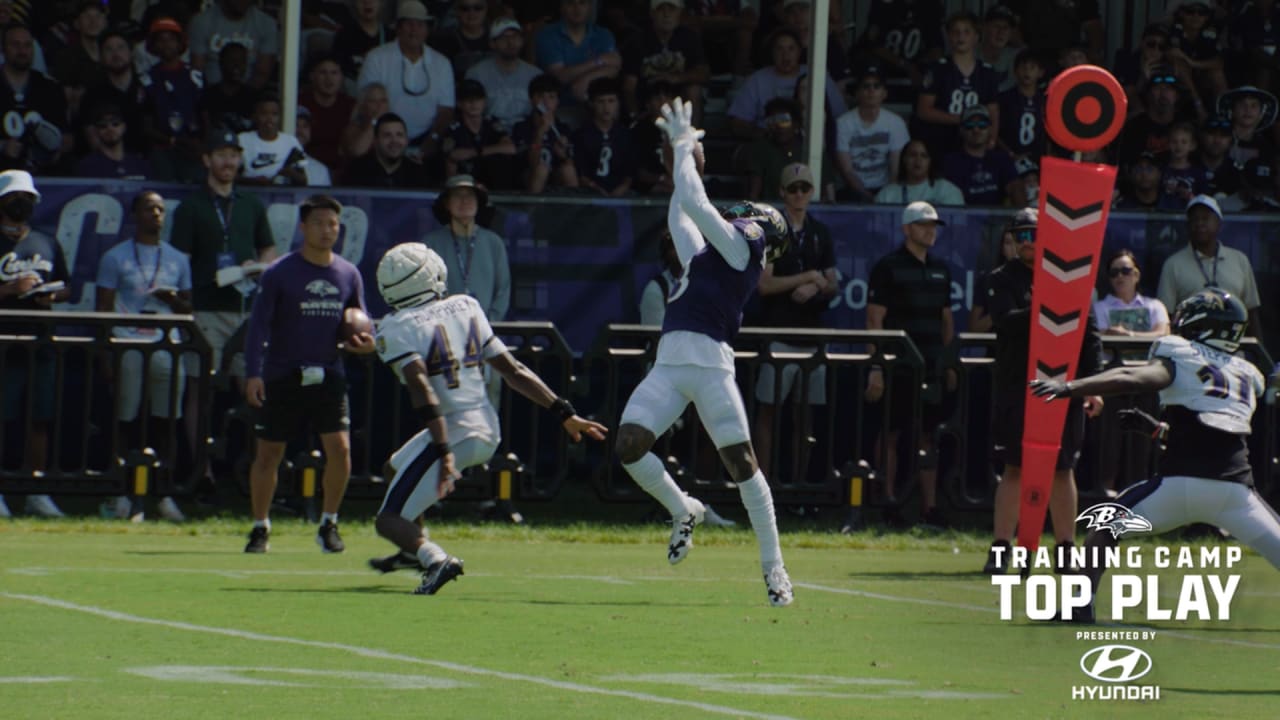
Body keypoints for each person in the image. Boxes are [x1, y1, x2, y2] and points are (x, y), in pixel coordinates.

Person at [614, 97, 794, 607]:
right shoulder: (704, 252)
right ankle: (683, 509)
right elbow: (682, 206)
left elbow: (695, 204)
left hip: (711, 366)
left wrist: (682, 147)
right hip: (670, 365)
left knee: (742, 465)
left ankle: (773, 566)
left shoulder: (743, 251)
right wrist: (687, 156)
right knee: (628, 445)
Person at [366, 242, 607, 594]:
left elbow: (422, 390)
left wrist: (444, 448)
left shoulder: (394, 328)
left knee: (387, 520)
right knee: (393, 469)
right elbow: (513, 370)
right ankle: (412, 548)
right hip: (485, 424)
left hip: (452, 431)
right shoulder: (466, 306)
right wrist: (564, 412)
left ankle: (434, 559)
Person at [1028, 288, 1275, 624]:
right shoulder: (1246, 373)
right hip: (1235, 495)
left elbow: (1133, 377)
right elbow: (1215, 435)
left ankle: (1078, 607)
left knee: (1104, 528)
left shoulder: (1182, 352)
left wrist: (1071, 388)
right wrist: (1157, 430)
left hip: (1179, 488)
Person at [242, 195, 375, 554]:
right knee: (269, 453)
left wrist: (367, 342)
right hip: (283, 372)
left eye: (333, 224)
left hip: (329, 373)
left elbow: (361, 320)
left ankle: (329, 523)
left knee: (341, 449)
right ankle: (260, 526)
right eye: (319, 223)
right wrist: (253, 373)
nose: (327, 230)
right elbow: (258, 328)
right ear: (303, 227)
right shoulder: (280, 272)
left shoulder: (348, 273)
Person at [982, 207, 1105, 575]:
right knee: (1015, 467)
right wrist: (1043, 305)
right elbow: (1005, 324)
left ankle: (1066, 548)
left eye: (1032, 234)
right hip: (1018, 384)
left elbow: (1090, 335)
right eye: (1019, 236)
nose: (1026, 243)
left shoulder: (1073, 276)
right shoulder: (1001, 278)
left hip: (1063, 385)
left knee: (1062, 468)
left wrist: (1094, 386)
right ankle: (1002, 546)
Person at [94, 190, 191, 522]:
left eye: (161, 209)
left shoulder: (179, 258)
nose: (156, 215)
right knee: (126, 419)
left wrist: (174, 299)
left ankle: (162, 493)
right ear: (135, 214)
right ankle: (122, 492)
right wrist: (106, 357)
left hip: (168, 345)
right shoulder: (115, 257)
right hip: (128, 344)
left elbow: (189, 309)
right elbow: (103, 309)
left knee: (167, 421)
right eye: (149, 209)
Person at [865, 201, 955, 528]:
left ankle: (928, 507)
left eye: (933, 225)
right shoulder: (887, 267)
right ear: (906, 229)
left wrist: (949, 365)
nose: (930, 231)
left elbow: (947, 321)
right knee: (890, 434)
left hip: (931, 367)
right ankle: (888, 502)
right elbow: (874, 320)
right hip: (896, 367)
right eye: (923, 225)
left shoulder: (942, 269)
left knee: (928, 436)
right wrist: (876, 367)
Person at [753, 162, 835, 489]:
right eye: (794, 189)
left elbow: (833, 284)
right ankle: (763, 486)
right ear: (782, 192)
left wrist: (817, 286)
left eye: (806, 188)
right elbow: (764, 285)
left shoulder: (820, 232)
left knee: (806, 418)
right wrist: (807, 277)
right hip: (778, 334)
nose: (800, 194)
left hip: (812, 336)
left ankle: (799, 488)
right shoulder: (772, 232)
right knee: (768, 413)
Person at [0, 169, 69, 519]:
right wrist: (10, 290)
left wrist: (50, 294)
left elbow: (67, 285)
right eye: (14, 197)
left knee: (40, 417)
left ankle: (36, 490)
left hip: (40, 341)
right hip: (3, 341)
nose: (20, 203)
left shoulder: (46, 241)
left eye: (26, 197)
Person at [357, 0, 455, 166]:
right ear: (398, 28)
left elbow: (446, 110)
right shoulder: (376, 58)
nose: (414, 29)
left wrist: (431, 141)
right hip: (383, 140)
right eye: (409, 24)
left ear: (427, 29)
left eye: (420, 24)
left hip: (427, 141)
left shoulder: (442, 62)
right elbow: (367, 104)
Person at [1156, 194, 1263, 345]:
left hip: (1234, 348)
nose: (1200, 223)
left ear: (1219, 223)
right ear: (1187, 225)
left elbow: (1252, 311)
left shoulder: (1239, 260)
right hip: (1191, 349)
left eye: (1206, 218)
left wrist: (1258, 350)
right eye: (1195, 219)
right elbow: (1167, 316)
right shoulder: (1173, 264)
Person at [834, 64, 909, 202]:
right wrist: (869, 198)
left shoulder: (896, 123)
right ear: (857, 93)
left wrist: (885, 196)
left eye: (876, 86)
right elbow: (847, 171)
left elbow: (896, 170)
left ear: (884, 93)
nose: (871, 90)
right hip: (852, 190)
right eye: (865, 86)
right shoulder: (843, 123)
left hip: (886, 189)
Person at [465, 18, 540, 134]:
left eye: (515, 37)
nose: (511, 42)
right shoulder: (476, 74)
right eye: (503, 38)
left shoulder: (536, 75)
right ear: (492, 43)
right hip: (489, 135)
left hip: (527, 135)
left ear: (522, 40)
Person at [343, 112, 433, 188]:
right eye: (387, 135)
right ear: (375, 141)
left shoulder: (418, 173)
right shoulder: (356, 171)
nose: (394, 140)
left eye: (399, 135)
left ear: (406, 140)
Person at [1094, 250, 1170, 339]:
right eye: (1114, 272)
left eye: (1125, 271)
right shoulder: (1098, 308)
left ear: (1136, 275)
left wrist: (1129, 335)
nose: (1120, 276)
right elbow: (1099, 337)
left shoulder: (1155, 305)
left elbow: (1163, 334)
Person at [237, 95, 308, 187]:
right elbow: (230, 176)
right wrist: (253, 181)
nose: (269, 119)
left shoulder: (291, 141)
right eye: (264, 113)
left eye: (274, 114)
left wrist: (291, 173)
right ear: (254, 116)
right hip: (249, 194)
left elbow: (304, 180)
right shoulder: (242, 139)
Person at [874, 139, 965, 206]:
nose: (918, 160)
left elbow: (957, 226)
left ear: (930, 161)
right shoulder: (886, 195)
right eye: (913, 155)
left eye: (924, 156)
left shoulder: (948, 191)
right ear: (904, 160)